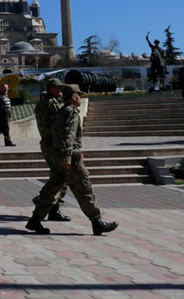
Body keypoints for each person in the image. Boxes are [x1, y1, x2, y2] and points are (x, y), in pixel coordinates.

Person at [25, 84, 118, 236]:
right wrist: (68, 155)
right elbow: (68, 135)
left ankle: (35, 220)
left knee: (52, 189)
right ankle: (97, 222)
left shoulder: (62, 111)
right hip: (70, 159)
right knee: (84, 188)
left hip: (57, 156)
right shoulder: (71, 112)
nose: (81, 98)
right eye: (80, 95)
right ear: (74, 97)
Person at [30, 78, 71, 222]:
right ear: (51, 89)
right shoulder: (52, 104)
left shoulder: (41, 103)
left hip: (47, 143)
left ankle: (48, 203)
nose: (61, 90)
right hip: (54, 144)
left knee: (57, 176)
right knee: (62, 177)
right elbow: (59, 124)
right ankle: (51, 206)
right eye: (58, 88)